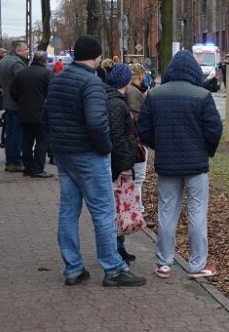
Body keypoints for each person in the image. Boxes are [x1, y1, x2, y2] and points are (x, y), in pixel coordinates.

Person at [46, 35, 146, 287]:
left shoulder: (58, 80)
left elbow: (47, 116)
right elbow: (96, 123)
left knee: (68, 210)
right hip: (89, 155)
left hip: (64, 154)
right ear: (96, 56)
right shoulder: (91, 84)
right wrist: (105, 149)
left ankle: (72, 268)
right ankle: (113, 269)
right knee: (103, 211)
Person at [138, 50, 223, 279]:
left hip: (167, 164)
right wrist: (206, 150)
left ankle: (164, 263)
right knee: (197, 213)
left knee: (166, 212)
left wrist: (160, 146)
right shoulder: (202, 95)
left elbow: (144, 129)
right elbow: (214, 129)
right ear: (193, 71)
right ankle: (197, 264)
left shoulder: (154, 95)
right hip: (196, 165)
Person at [101, 60, 139, 263]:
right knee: (115, 207)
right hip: (117, 165)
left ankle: (119, 247)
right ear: (125, 80)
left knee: (117, 207)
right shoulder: (116, 103)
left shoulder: (112, 98)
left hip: (115, 163)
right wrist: (124, 166)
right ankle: (115, 249)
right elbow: (118, 136)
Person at [10, 51, 54, 178]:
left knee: (26, 141)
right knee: (42, 141)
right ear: (44, 61)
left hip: (24, 112)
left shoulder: (22, 73)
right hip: (41, 113)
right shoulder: (47, 74)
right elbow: (52, 92)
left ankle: (27, 167)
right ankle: (38, 168)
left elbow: (13, 91)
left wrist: (21, 101)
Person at [0, 40, 28, 172]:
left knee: (10, 133)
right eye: (26, 49)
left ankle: (10, 160)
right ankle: (15, 161)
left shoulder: (4, 61)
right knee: (17, 133)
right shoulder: (17, 62)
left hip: (8, 102)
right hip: (17, 103)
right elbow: (23, 82)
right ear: (18, 50)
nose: (27, 51)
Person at [126, 62, 149, 220]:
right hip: (137, 142)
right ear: (140, 76)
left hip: (134, 140)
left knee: (135, 178)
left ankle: (136, 209)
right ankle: (138, 212)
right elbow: (137, 118)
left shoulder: (132, 91)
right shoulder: (135, 93)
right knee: (138, 178)